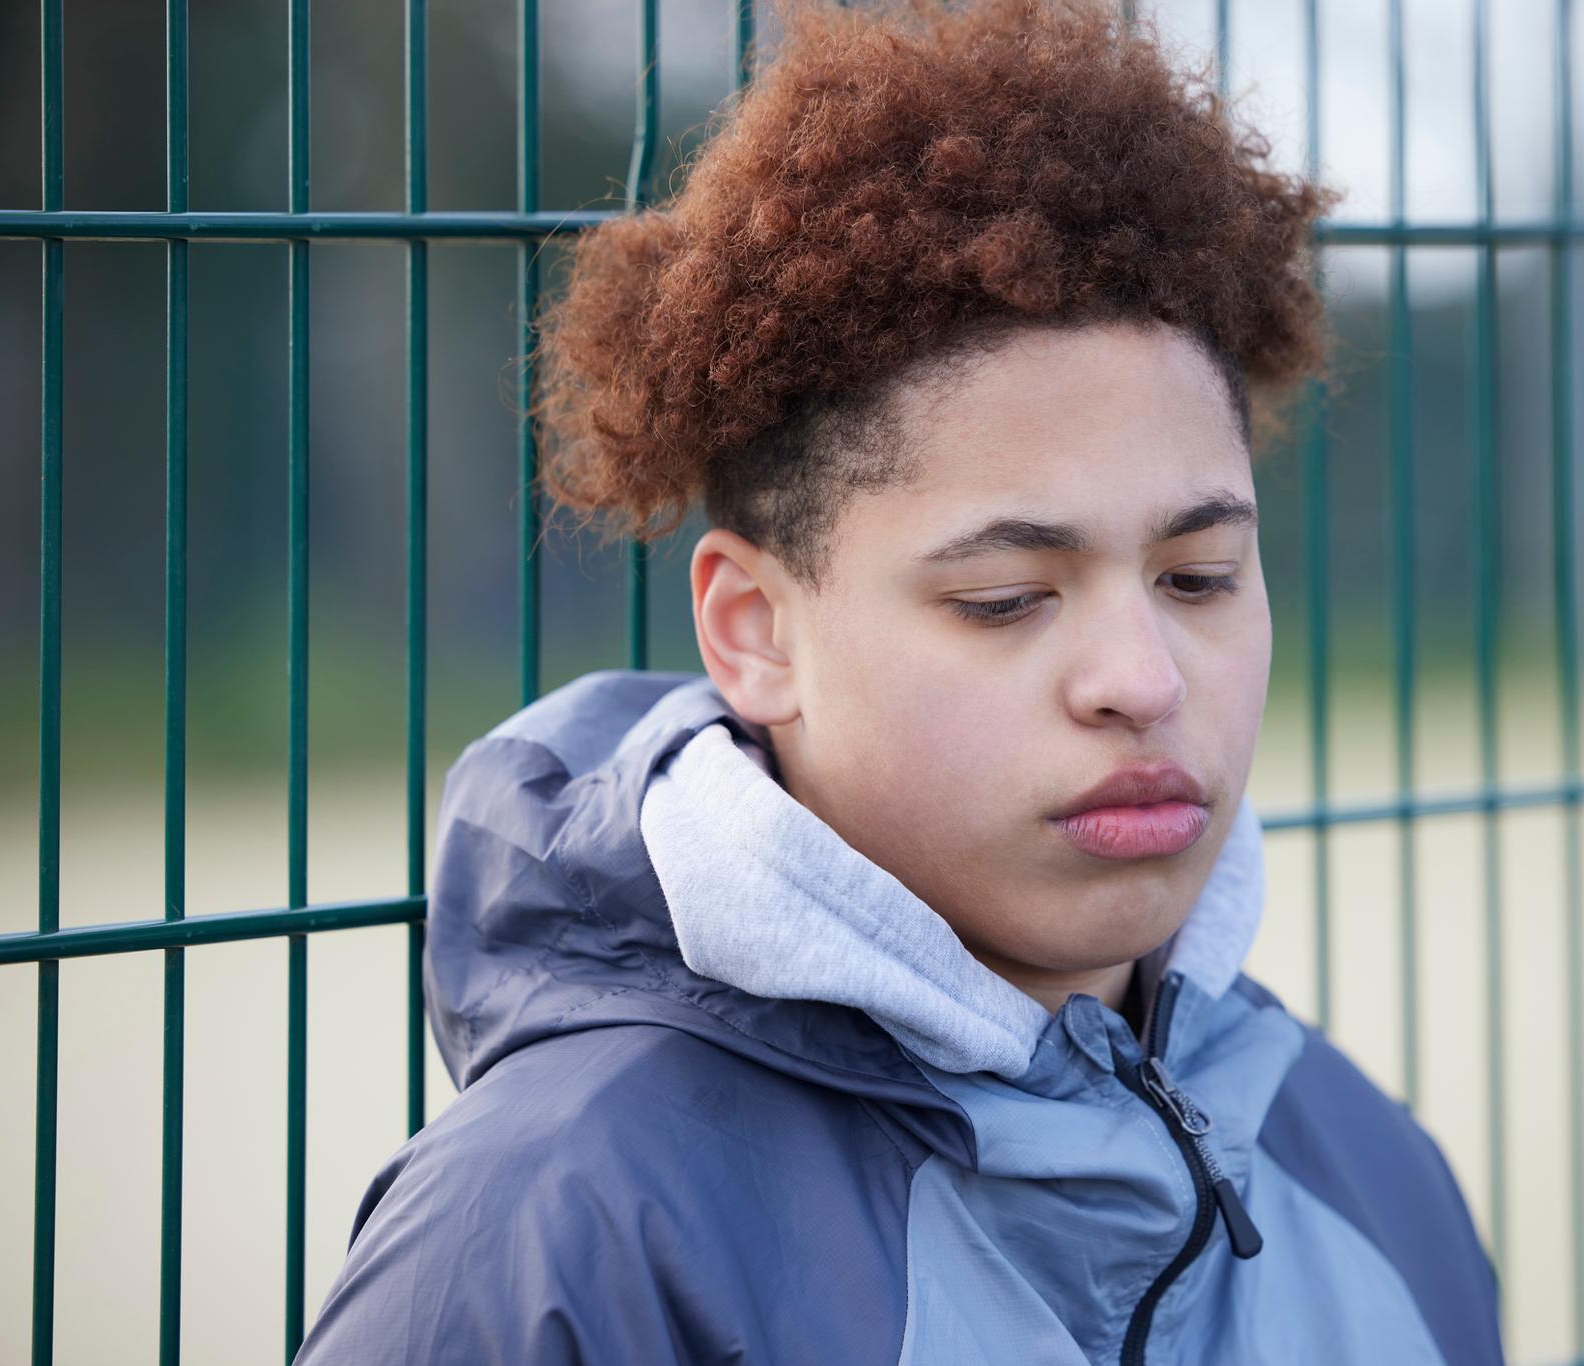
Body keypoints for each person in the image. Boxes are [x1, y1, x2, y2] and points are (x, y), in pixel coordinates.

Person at [293, 0, 1502, 1360]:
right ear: (754, 630)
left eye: (1200, 575)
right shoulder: (551, 1250)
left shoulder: (1379, 1182)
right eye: (1006, 599)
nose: (1142, 679)